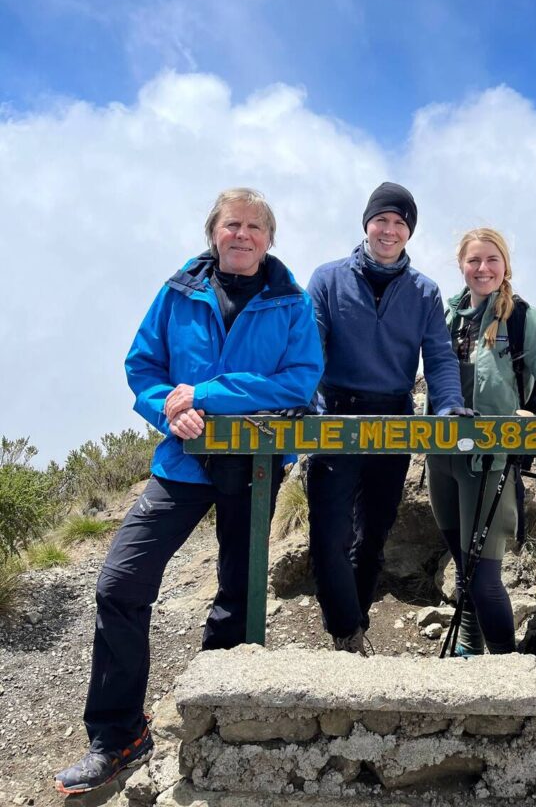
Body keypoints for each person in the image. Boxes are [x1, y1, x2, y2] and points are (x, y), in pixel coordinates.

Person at [55, 188, 323, 796]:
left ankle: (220, 714)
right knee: (119, 584)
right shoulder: (178, 293)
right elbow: (143, 369)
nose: (243, 235)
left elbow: (300, 381)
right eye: (233, 224)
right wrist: (168, 411)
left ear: (269, 239)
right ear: (214, 232)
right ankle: (118, 734)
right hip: (181, 463)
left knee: (238, 593)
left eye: (255, 226)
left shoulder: (292, 302)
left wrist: (205, 394)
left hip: (253, 466)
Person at [306, 182, 468, 654]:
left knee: (373, 534)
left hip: (395, 418)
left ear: (409, 232)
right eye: (382, 220)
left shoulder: (425, 292)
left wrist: (449, 405)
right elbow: (312, 349)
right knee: (327, 533)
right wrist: (307, 404)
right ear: (367, 224)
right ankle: (346, 628)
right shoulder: (327, 279)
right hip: (336, 415)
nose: (390, 230)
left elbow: (438, 357)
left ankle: (351, 631)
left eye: (400, 223)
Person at [426, 227, 536, 656]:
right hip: (441, 458)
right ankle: (469, 644)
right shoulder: (447, 316)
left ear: (505, 266)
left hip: (490, 461)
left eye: (491, 260)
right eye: (474, 261)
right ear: (462, 266)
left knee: (483, 575)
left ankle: (505, 667)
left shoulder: (521, 318)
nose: (482, 268)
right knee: (463, 567)